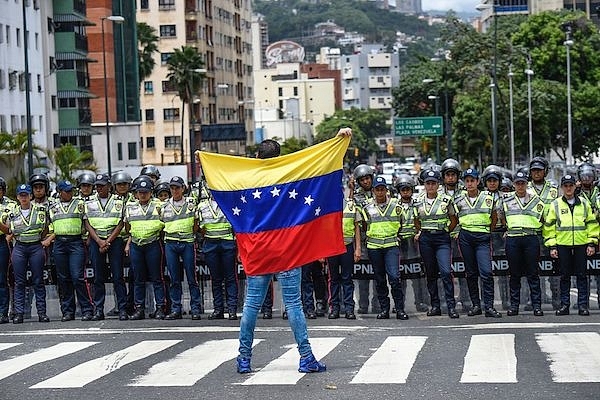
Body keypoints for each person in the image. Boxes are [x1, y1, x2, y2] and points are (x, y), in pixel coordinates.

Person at [236, 128, 352, 374]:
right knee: (295, 305)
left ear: (257, 158)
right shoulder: (290, 176)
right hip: (287, 250)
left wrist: (204, 160)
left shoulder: (247, 180)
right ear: (280, 158)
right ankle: (306, 357)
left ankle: (244, 359)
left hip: (258, 251)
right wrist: (340, 139)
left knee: (251, 307)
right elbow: (316, 160)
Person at [543, 174, 598, 316]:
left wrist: (591, 243)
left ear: (575, 186)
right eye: (565, 186)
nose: (568, 188)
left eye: (571, 185)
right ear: (562, 188)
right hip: (563, 245)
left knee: (582, 276)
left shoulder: (584, 205)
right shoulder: (556, 204)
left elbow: (592, 224)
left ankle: (582, 306)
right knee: (564, 277)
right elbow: (549, 227)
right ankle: (564, 305)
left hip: (581, 245)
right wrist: (552, 246)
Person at [42, 180, 94, 321]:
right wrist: (46, 239)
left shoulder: (80, 204)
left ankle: (87, 309)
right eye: (67, 191)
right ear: (60, 192)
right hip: (59, 244)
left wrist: (90, 237)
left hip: (76, 242)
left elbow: (86, 223)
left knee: (78, 277)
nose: (70, 193)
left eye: (71, 190)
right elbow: (49, 226)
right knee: (63, 279)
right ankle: (67, 311)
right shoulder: (52, 206)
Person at [453, 168, 501, 318]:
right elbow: (454, 218)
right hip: (466, 237)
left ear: (478, 182)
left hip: (482, 237)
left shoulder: (488, 198)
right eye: (467, 181)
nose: (469, 183)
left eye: (472, 180)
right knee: (471, 273)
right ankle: (476, 305)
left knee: (486, 272)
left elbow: (494, 218)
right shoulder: (458, 199)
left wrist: (487, 231)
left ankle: (489, 306)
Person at [0, 184, 50, 323]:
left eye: (26, 195)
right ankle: (19, 313)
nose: (24, 198)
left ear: (30, 196)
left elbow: (46, 228)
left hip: (35, 246)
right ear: (17, 197)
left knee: (38, 280)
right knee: (19, 282)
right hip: (20, 247)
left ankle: (42, 313)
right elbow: (10, 231)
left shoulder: (40, 210)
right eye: (21, 195)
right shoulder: (13, 213)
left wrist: (41, 240)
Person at [413, 169, 459, 319]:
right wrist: (423, 231)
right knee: (431, 273)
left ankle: (451, 306)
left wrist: (445, 231)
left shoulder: (446, 199)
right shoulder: (418, 200)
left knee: (446, 271)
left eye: (433, 183)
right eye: (428, 183)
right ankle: (435, 305)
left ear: (438, 185)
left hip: (442, 238)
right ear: (424, 185)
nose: (431, 186)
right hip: (426, 239)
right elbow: (416, 221)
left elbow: (453, 220)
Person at [84, 173, 129, 321]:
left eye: (102, 186)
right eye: (97, 186)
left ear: (109, 186)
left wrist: (108, 241)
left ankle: (122, 309)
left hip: (114, 240)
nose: (99, 188)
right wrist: (98, 241)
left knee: (118, 276)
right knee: (98, 277)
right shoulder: (89, 201)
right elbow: (87, 223)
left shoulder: (118, 201)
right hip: (97, 241)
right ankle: (98, 310)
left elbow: (121, 222)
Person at [361, 176, 407, 320]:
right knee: (379, 279)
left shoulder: (396, 206)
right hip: (374, 247)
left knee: (394, 277)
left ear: (386, 190)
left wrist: (397, 236)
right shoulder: (367, 208)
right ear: (373, 191)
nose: (380, 192)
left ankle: (399, 309)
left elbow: (403, 223)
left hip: (391, 246)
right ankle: (384, 309)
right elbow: (364, 225)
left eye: (382, 189)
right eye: (377, 189)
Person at [500, 171, 544, 316]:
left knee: (533, 273)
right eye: (517, 183)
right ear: (513, 184)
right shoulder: (506, 201)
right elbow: (502, 218)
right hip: (513, 238)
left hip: (530, 238)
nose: (520, 186)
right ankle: (514, 306)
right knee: (514, 274)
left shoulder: (536, 200)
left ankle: (537, 306)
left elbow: (542, 218)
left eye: (523, 183)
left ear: (527, 184)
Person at [124, 176, 167, 320]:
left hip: (153, 244)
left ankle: (160, 308)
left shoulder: (158, 205)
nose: (143, 194)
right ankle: (139, 309)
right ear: (135, 193)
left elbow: (164, 226)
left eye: (146, 192)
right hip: (137, 245)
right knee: (138, 279)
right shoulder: (130, 207)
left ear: (151, 192)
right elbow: (128, 227)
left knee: (157, 278)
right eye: (140, 192)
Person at [160, 176, 203, 320]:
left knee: (192, 278)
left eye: (177, 187)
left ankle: (195, 308)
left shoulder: (191, 203)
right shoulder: (164, 205)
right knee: (174, 279)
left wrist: (191, 233)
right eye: (172, 188)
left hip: (187, 242)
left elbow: (196, 222)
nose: (174, 190)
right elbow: (161, 224)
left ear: (183, 188)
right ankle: (176, 309)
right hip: (171, 243)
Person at [197, 185, 239, 320]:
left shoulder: (229, 202)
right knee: (216, 279)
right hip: (211, 244)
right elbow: (200, 228)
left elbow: (235, 224)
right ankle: (218, 309)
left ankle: (232, 309)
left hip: (227, 243)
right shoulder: (202, 206)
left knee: (230, 278)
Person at [529, 156, 560, 310]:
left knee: (554, 267)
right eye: (534, 170)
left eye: (539, 170)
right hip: (532, 233)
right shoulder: (524, 189)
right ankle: (535, 301)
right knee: (533, 269)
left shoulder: (554, 191)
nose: (536, 173)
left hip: (550, 234)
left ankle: (557, 299)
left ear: (545, 171)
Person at [439, 158, 469, 312]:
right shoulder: (436, 193)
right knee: (444, 271)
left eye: (453, 174)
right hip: (442, 237)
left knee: (463, 270)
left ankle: (465, 299)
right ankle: (445, 300)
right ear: (443, 176)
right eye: (447, 174)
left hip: (461, 237)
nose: (450, 177)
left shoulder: (465, 193)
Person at [396, 174, 428, 312]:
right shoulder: (394, 206)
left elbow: (423, 221)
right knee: (400, 276)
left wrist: (420, 233)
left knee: (417, 275)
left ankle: (420, 302)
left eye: (408, 189)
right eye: (402, 189)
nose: (405, 192)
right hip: (400, 244)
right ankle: (400, 303)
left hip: (415, 243)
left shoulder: (419, 205)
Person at [326, 187, 360, 320]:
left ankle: (349, 309)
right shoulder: (326, 207)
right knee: (333, 279)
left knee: (347, 279)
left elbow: (357, 228)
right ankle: (334, 308)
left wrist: (358, 249)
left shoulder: (351, 207)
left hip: (347, 246)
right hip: (331, 247)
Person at [351, 164, 380, 315]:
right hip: (361, 240)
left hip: (377, 238)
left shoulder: (380, 193)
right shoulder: (355, 197)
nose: (366, 182)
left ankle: (378, 303)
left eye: (368, 178)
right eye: (362, 180)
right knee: (362, 275)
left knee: (377, 273)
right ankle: (363, 304)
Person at [0, 177, 16, 323]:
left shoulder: (11, 205)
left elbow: (12, 228)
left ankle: (3, 313)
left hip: (3, 242)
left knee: (2, 279)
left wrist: (7, 239)